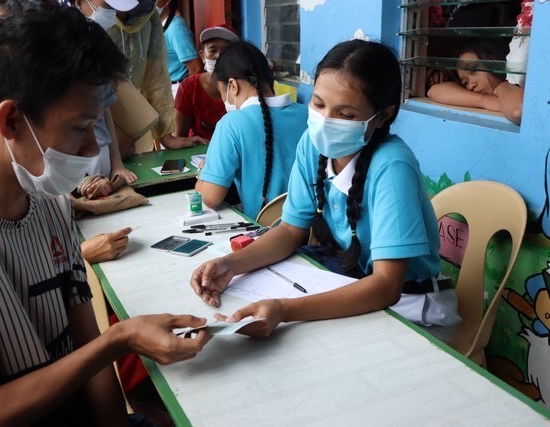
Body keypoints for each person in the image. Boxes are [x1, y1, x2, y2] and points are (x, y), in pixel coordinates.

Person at [0, 7, 210, 426]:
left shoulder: (49, 203)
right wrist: (119, 339)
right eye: (79, 127)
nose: (91, 149)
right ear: (11, 119)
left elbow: (85, 346)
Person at [190, 40, 461, 338]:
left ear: (382, 115)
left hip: (413, 310)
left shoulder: (392, 167)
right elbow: (290, 230)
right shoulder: (312, 145)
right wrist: (230, 265)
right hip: (355, 285)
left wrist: (286, 309)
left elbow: (387, 286)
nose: (325, 121)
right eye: (318, 104)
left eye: (345, 115)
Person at [194, 40, 308, 220]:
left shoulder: (231, 123)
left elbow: (209, 197)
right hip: (311, 230)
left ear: (233, 85)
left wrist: (204, 169)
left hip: (264, 233)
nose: (224, 101)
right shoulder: (307, 114)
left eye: (222, 94)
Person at [73, 0, 204, 154]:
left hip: (135, 120)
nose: (124, 14)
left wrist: (165, 135)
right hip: (87, 126)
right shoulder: (73, 22)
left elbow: (156, 76)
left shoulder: (149, 16)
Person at [427, 39, 523, 125]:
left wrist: (503, 87)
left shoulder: (519, 84)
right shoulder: (484, 97)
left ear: (492, 60)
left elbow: (517, 112)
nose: (471, 85)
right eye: (465, 82)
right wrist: (485, 100)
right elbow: (433, 91)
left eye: (474, 71)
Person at [174, 25, 238, 142]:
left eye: (225, 51)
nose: (218, 56)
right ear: (203, 56)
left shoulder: (244, 85)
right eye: (213, 50)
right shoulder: (189, 87)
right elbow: (179, 137)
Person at [157, 0, 202, 96]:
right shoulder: (164, 25)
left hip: (178, 88)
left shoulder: (177, 29)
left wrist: (186, 95)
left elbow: (196, 68)